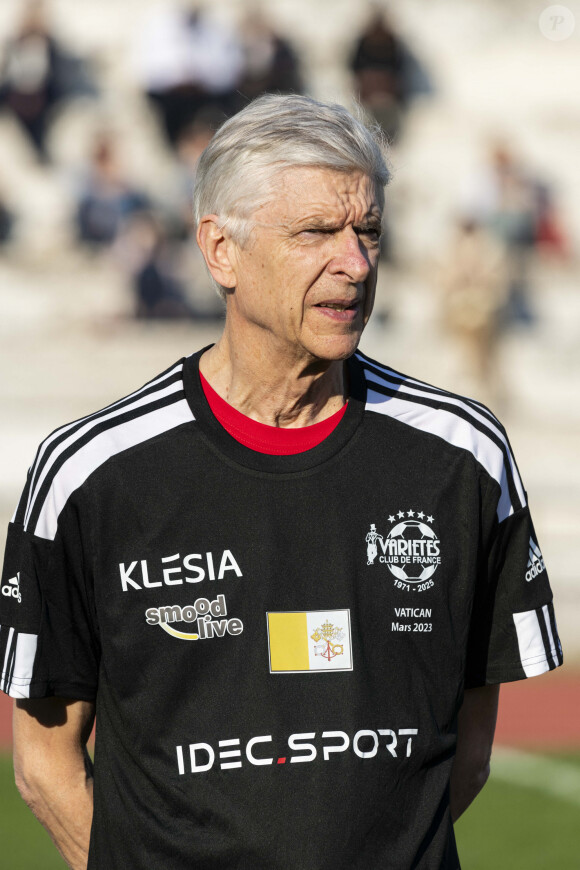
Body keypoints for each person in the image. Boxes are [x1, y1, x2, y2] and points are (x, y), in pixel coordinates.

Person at [0, 94, 562, 869]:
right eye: (316, 233)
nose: (355, 264)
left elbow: (463, 759)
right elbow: (44, 765)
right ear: (220, 250)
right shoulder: (91, 475)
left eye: (368, 232)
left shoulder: (463, 457)